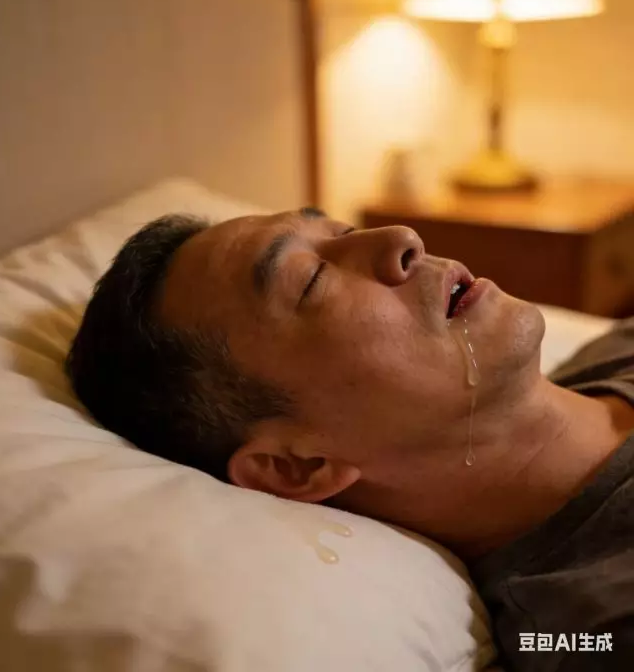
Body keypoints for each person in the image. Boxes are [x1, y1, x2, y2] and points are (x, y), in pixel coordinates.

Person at [66, 208, 634, 671]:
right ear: (295, 467)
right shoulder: (591, 628)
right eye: (312, 280)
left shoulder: (615, 346)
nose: (402, 237)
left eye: (343, 233)